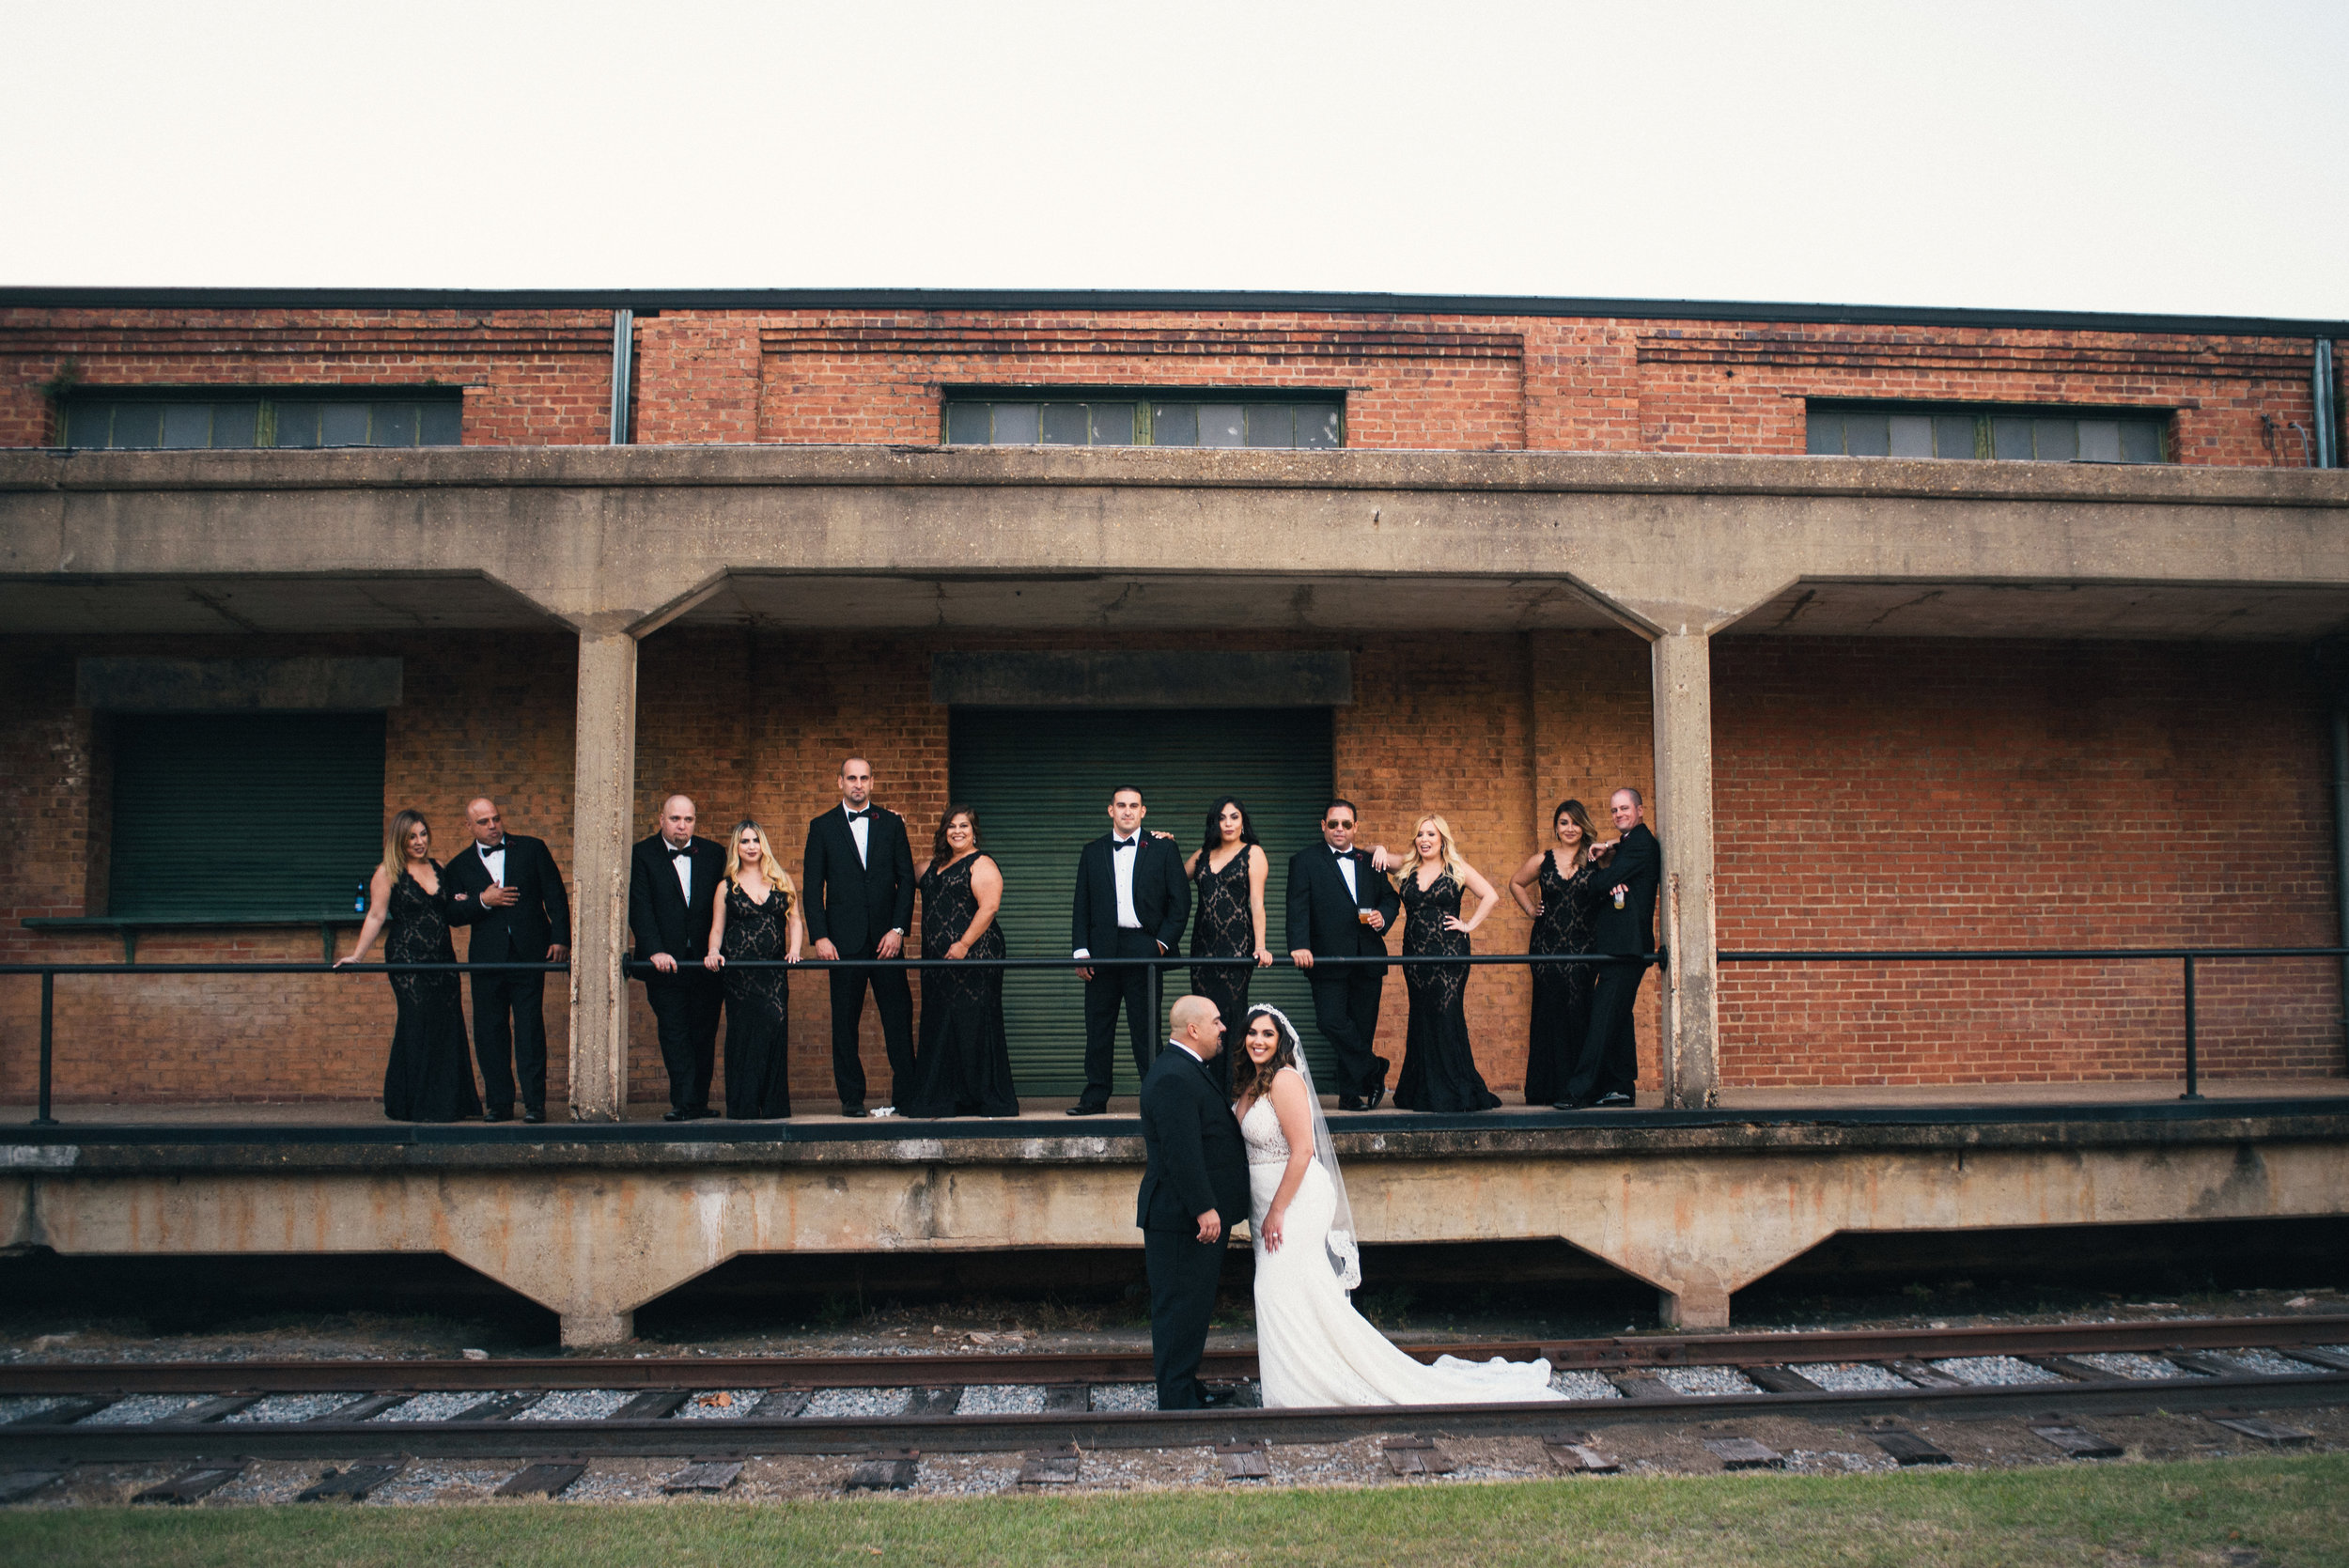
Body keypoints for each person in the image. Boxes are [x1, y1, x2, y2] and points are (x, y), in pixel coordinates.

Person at [1234, 1003, 1563, 1407]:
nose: (1258, 1041)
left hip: (1294, 1202)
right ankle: (1296, 1386)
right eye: (1252, 1033)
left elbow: (1302, 1151)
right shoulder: (1252, 1083)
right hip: (1268, 1204)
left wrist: (1278, 1210)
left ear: (1281, 1040)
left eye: (1267, 1034)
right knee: (1295, 1294)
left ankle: (1304, 1392)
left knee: (1274, 1289)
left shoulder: (1284, 1081)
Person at [1137, 994, 1251, 1410]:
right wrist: (1204, 1207)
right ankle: (1176, 1400)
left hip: (1188, 1216)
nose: (1224, 1028)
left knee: (1192, 1306)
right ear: (1193, 1029)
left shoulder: (1185, 1068)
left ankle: (1185, 1385)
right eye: (1217, 1022)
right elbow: (1181, 1151)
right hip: (1181, 1217)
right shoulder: (1173, 1076)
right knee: (1179, 1308)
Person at [335, 809, 486, 1123]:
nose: (419, 842)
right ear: (400, 841)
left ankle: (449, 1104)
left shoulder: (439, 867)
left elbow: (450, 909)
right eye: (411, 837)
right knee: (417, 1023)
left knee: (447, 1023)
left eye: (423, 834)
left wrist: (460, 899)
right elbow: (376, 916)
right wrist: (357, 956)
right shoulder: (387, 872)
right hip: (407, 958)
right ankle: (411, 1104)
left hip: (443, 957)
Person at [441, 797, 569, 1125]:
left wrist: (560, 938)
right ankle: (498, 1104)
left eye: (495, 819)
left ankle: (534, 1104)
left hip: (529, 953)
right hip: (486, 960)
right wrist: (483, 901)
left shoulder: (532, 848)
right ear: (469, 826)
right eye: (483, 822)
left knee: (529, 1029)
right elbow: (452, 915)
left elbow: (555, 894)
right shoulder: (458, 866)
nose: (493, 825)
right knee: (489, 1030)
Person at [802, 758, 918, 1118]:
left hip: (887, 941)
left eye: (864, 778)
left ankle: (908, 1096)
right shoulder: (821, 827)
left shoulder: (892, 823)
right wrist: (819, 936)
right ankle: (851, 1099)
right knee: (844, 1023)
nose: (858, 784)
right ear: (840, 782)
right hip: (842, 943)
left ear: (872, 781)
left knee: (898, 1019)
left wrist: (898, 929)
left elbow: (907, 881)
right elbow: (811, 888)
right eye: (851, 778)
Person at [1068, 785, 1190, 1116]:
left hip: (1145, 947)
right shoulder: (1092, 851)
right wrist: (1080, 950)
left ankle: (1154, 1098)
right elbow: (1082, 904)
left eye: (1133, 806)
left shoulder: (1163, 849)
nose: (1127, 811)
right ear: (1110, 810)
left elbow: (1180, 902)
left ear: (1143, 811)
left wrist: (1161, 944)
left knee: (1146, 1030)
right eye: (1120, 805)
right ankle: (1094, 1098)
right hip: (1101, 951)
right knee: (1097, 1029)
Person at [1284, 798, 1402, 1111]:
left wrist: (1383, 916)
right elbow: (1297, 906)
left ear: (1355, 827)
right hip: (1326, 958)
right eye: (1333, 824)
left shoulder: (1370, 861)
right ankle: (1373, 1068)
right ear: (1323, 826)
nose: (1339, 829)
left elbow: (1391, 899)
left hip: (1368, 957)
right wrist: (1299, 943)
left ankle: (1351, 1095)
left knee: (1362, 1027)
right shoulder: (1305, 860)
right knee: (1331, 1021)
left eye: (1346, 824)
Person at [905, 806, 1018, 1119]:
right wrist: (894, 830)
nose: (957, 831)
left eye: (964, 826)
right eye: (951, 826)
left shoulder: (981, 863)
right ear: (944, 832)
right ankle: (947, 1095)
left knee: (972, 1020)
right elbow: (899, 869)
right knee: (941, 1020)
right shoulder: (932, 866)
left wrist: (964, 944)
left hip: (975, 956)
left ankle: (980, 1096)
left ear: (973, 830)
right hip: (938, 963)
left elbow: (990, 906)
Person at [1389, 815, 1503, 1113]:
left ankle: (1455, 1090)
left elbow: (1490, 895)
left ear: (1442, 840)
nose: (1425, 839)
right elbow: (1375, 856)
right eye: (1420, 834)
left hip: (1450, 954)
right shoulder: (1407, 867)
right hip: (1414, 955)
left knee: (1447, 1015)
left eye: (1431, 834)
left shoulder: (1456, 868)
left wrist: (1468, 925)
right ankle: (1422, 1090)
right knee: (1423, 1016)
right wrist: (1375, 849)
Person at [1557, 787, 1662, 1110]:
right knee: (1618, 1018)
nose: (1619, 815)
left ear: (1640, 810)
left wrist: (1600, 874)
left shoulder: (1641, 845)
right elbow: (1619, 863)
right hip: (1621, 947)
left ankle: (1580, 1091)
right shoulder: (1630, 844)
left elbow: (1599, 885)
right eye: (1614, 810)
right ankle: (1620, 1087)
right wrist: (1611, 847)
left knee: (1602, 1019)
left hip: (1626, 949)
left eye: (1624, 809)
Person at [629, 795, 727, 1122]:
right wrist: (654, 948)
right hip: (663, 964)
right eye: (675, 819)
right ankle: (683, 1102)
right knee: (674, 1032)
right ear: (661, 819)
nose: (682, 826)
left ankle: (697, 1102)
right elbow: (639, 906)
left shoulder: (713, 853)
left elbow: (723, 905)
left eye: (688, 819)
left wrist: (717, 950)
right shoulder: (642, 854)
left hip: (705, 963)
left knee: (704, 1032)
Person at [1510, 799, 1609, 1108]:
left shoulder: (1596, 859)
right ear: (1556, 827)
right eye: (1564, 823)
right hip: (1546, 948)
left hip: (1583, 948)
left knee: (1579, 1013)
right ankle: (1544, 1089)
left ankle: (1579, 1088)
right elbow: (1515, 882)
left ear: (1584, 826)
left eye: (1575, 822)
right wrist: (1529, 908)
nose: (1570, 828)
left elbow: (1617, 875)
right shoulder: (1543, 859)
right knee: (1548, 1013)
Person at [703, 818, 801, 1120]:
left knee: (773, 1030)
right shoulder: (726, 886)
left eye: (755, 841)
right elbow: (717, 928)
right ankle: (744, 1107)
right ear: (737, 847)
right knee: (743, 1037)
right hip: (739, 976)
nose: (750, 846)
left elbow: (795, 920)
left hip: (773, 975)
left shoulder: (781, 879)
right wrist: (712, 952)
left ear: (763, 845)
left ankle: (772, 1107)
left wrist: (795, 950)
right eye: (744, 841)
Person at [1183, 796, 1272, 1101]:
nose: (1229, 823)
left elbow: (1257, 904)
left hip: (1236, 949)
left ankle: (1231, 1094)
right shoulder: (1202, 855)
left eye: (1234, 817)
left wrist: (1260, 946)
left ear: (1242, 821)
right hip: (1202, 950)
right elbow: (1172, 879)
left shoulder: (1253, 853)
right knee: (1202, 1017)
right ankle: (1205, 1092)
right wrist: (1163, 843)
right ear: (1215, 823)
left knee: (1230, 1020)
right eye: (1222, 818)